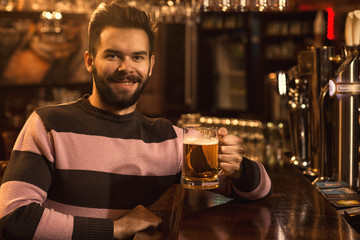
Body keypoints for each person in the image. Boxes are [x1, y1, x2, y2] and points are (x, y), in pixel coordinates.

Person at [0, 1, 272, 239]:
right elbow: (12, 218)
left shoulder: (173, 141)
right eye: (112, 55)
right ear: (89, 60)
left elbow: (261, 189)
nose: (125, 68)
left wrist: (239, 168)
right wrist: (115, 230)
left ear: (150, 65)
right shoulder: (48, 124)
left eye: (137, 57)